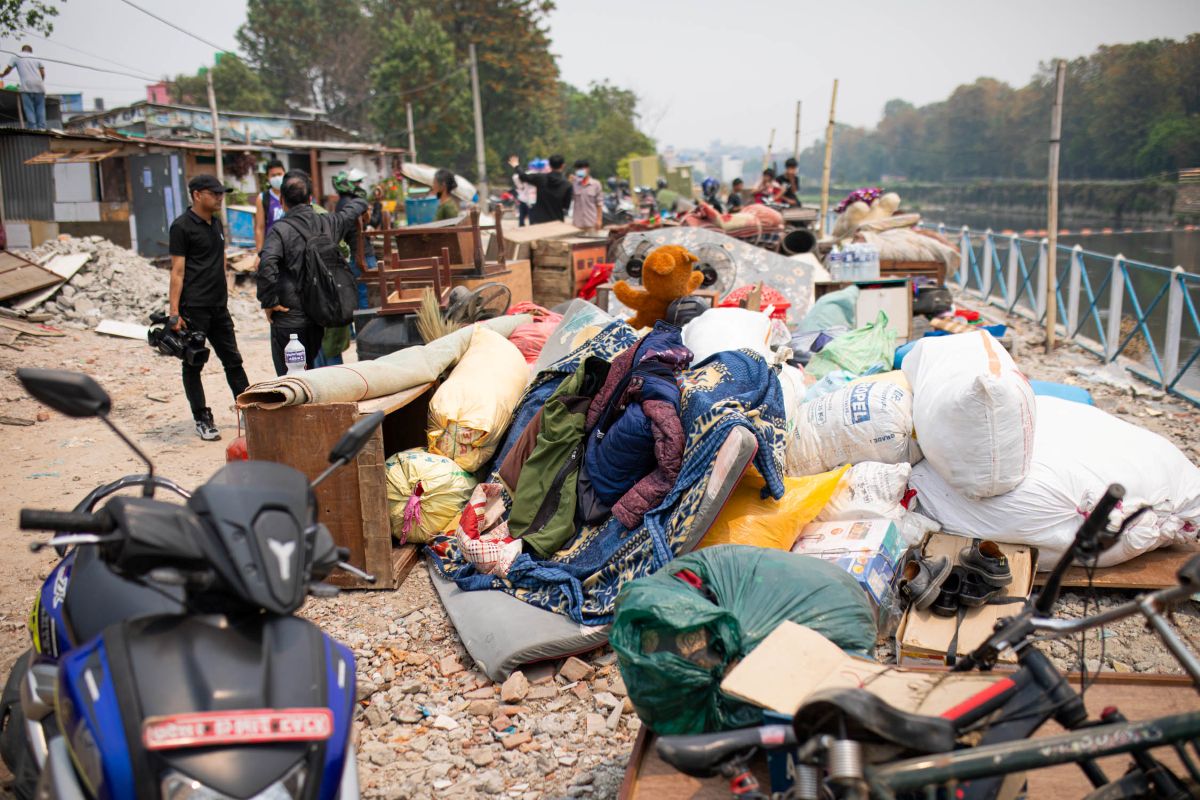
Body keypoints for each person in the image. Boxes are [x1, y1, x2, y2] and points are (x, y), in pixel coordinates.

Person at [257, 169, 367, 376]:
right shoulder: (328, 222)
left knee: (290, 379)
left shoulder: (280, 230)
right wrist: (363, 203)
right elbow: (352, 210)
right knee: (313, 375)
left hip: (289, 318)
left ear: (282, 200)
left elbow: (266, 264)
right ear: (310, 199)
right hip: (319, 316)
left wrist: (269, 301)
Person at [167, 175, 250, 441]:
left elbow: (220, 261)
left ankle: (249, 411)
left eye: (221, 194)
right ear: (197, 195)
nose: (219, 198)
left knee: (233, 361)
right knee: (194, 364)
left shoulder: (216, 223)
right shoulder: (181, 227)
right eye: (214, 194)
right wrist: (174, 313)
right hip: (194, 308)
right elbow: (177, 271)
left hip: (219, 307)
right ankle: (202, 418)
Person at [508, 153, 572, 223]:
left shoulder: (541, 178)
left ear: (550, 165)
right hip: (557, 220)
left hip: (539, 220)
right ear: (563, 166)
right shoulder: (567, 185)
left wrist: (516, 166)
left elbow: (523, 176)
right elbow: (566, 206)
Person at [1, 45, 45, 130]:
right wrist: (40, 81)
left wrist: (2, 75)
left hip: (26, 86)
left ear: (22, 50)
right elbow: (42, 73)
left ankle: (33, 128)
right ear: (31, 51)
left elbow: (8, 69)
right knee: (40, 108)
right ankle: (42, 128)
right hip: (39, 86)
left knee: (29, 109)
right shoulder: (36, 57)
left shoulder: (17, 56)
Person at [253, 159, 286, 269]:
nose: (277, 178)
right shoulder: (263, 198)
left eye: (279, 174)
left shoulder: (292, 194)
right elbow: (260, 227)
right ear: (268, 177)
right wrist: (259, 254)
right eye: (273, 175)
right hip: (272, 249)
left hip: (292, 247)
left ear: (285, 174)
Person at [570, 159, 603, 231]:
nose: (580, 171)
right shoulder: (573, 184)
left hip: (592, 223)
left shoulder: (596, 184)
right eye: (578, 169)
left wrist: (599, 220)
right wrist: (568, 183)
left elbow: (599, 204)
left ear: (588, 169)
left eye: (582, 169)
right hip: (577, 224)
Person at [513, 159, 542, 226]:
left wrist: (520, 186)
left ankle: (521, 229)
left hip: (524, 198)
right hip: (533, 200)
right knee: (532, 220)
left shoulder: (526, 174)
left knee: (521, 219)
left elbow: (515, 177)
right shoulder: (540, 176)